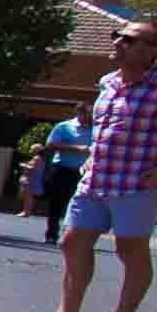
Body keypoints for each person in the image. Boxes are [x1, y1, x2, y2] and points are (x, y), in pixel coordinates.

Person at [10, 19, 157, 312]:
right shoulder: (108, 83)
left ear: (153, 50)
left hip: (137, 185)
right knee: (71, 240)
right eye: (117, 36)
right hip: (95, 181)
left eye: (129, 39)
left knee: (130, 249)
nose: (118, 42)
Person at [37, 104, 91, 245]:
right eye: (87, 113)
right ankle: (51, 234)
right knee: (57, 203)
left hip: (84, 172)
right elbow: (50, 144)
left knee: (79, 205)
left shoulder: (96, 129)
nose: (90, 117)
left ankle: (70, 236)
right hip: (63, 168)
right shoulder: (64, 127)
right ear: (79, 112)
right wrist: (76, 148)